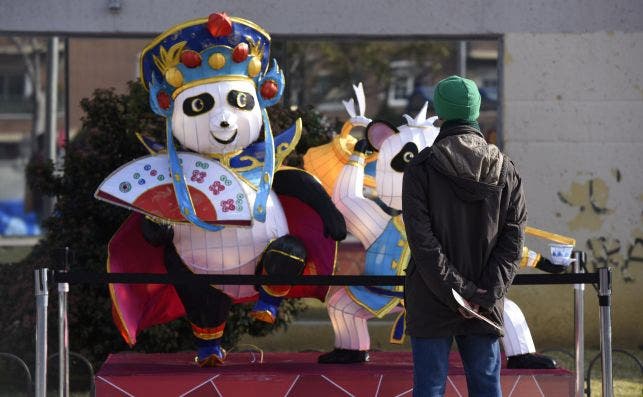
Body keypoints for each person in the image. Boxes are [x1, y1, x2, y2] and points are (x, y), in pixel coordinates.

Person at [402, 75, 527, 396]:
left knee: (428, 387)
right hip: (485, 300)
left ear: (440, 110)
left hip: (431, 296)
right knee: (486, 386)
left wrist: (458, 292)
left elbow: (422, 241)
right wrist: (483, 294)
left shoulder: (421, 167)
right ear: (476, 110)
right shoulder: (506, 168)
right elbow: (512, 243)